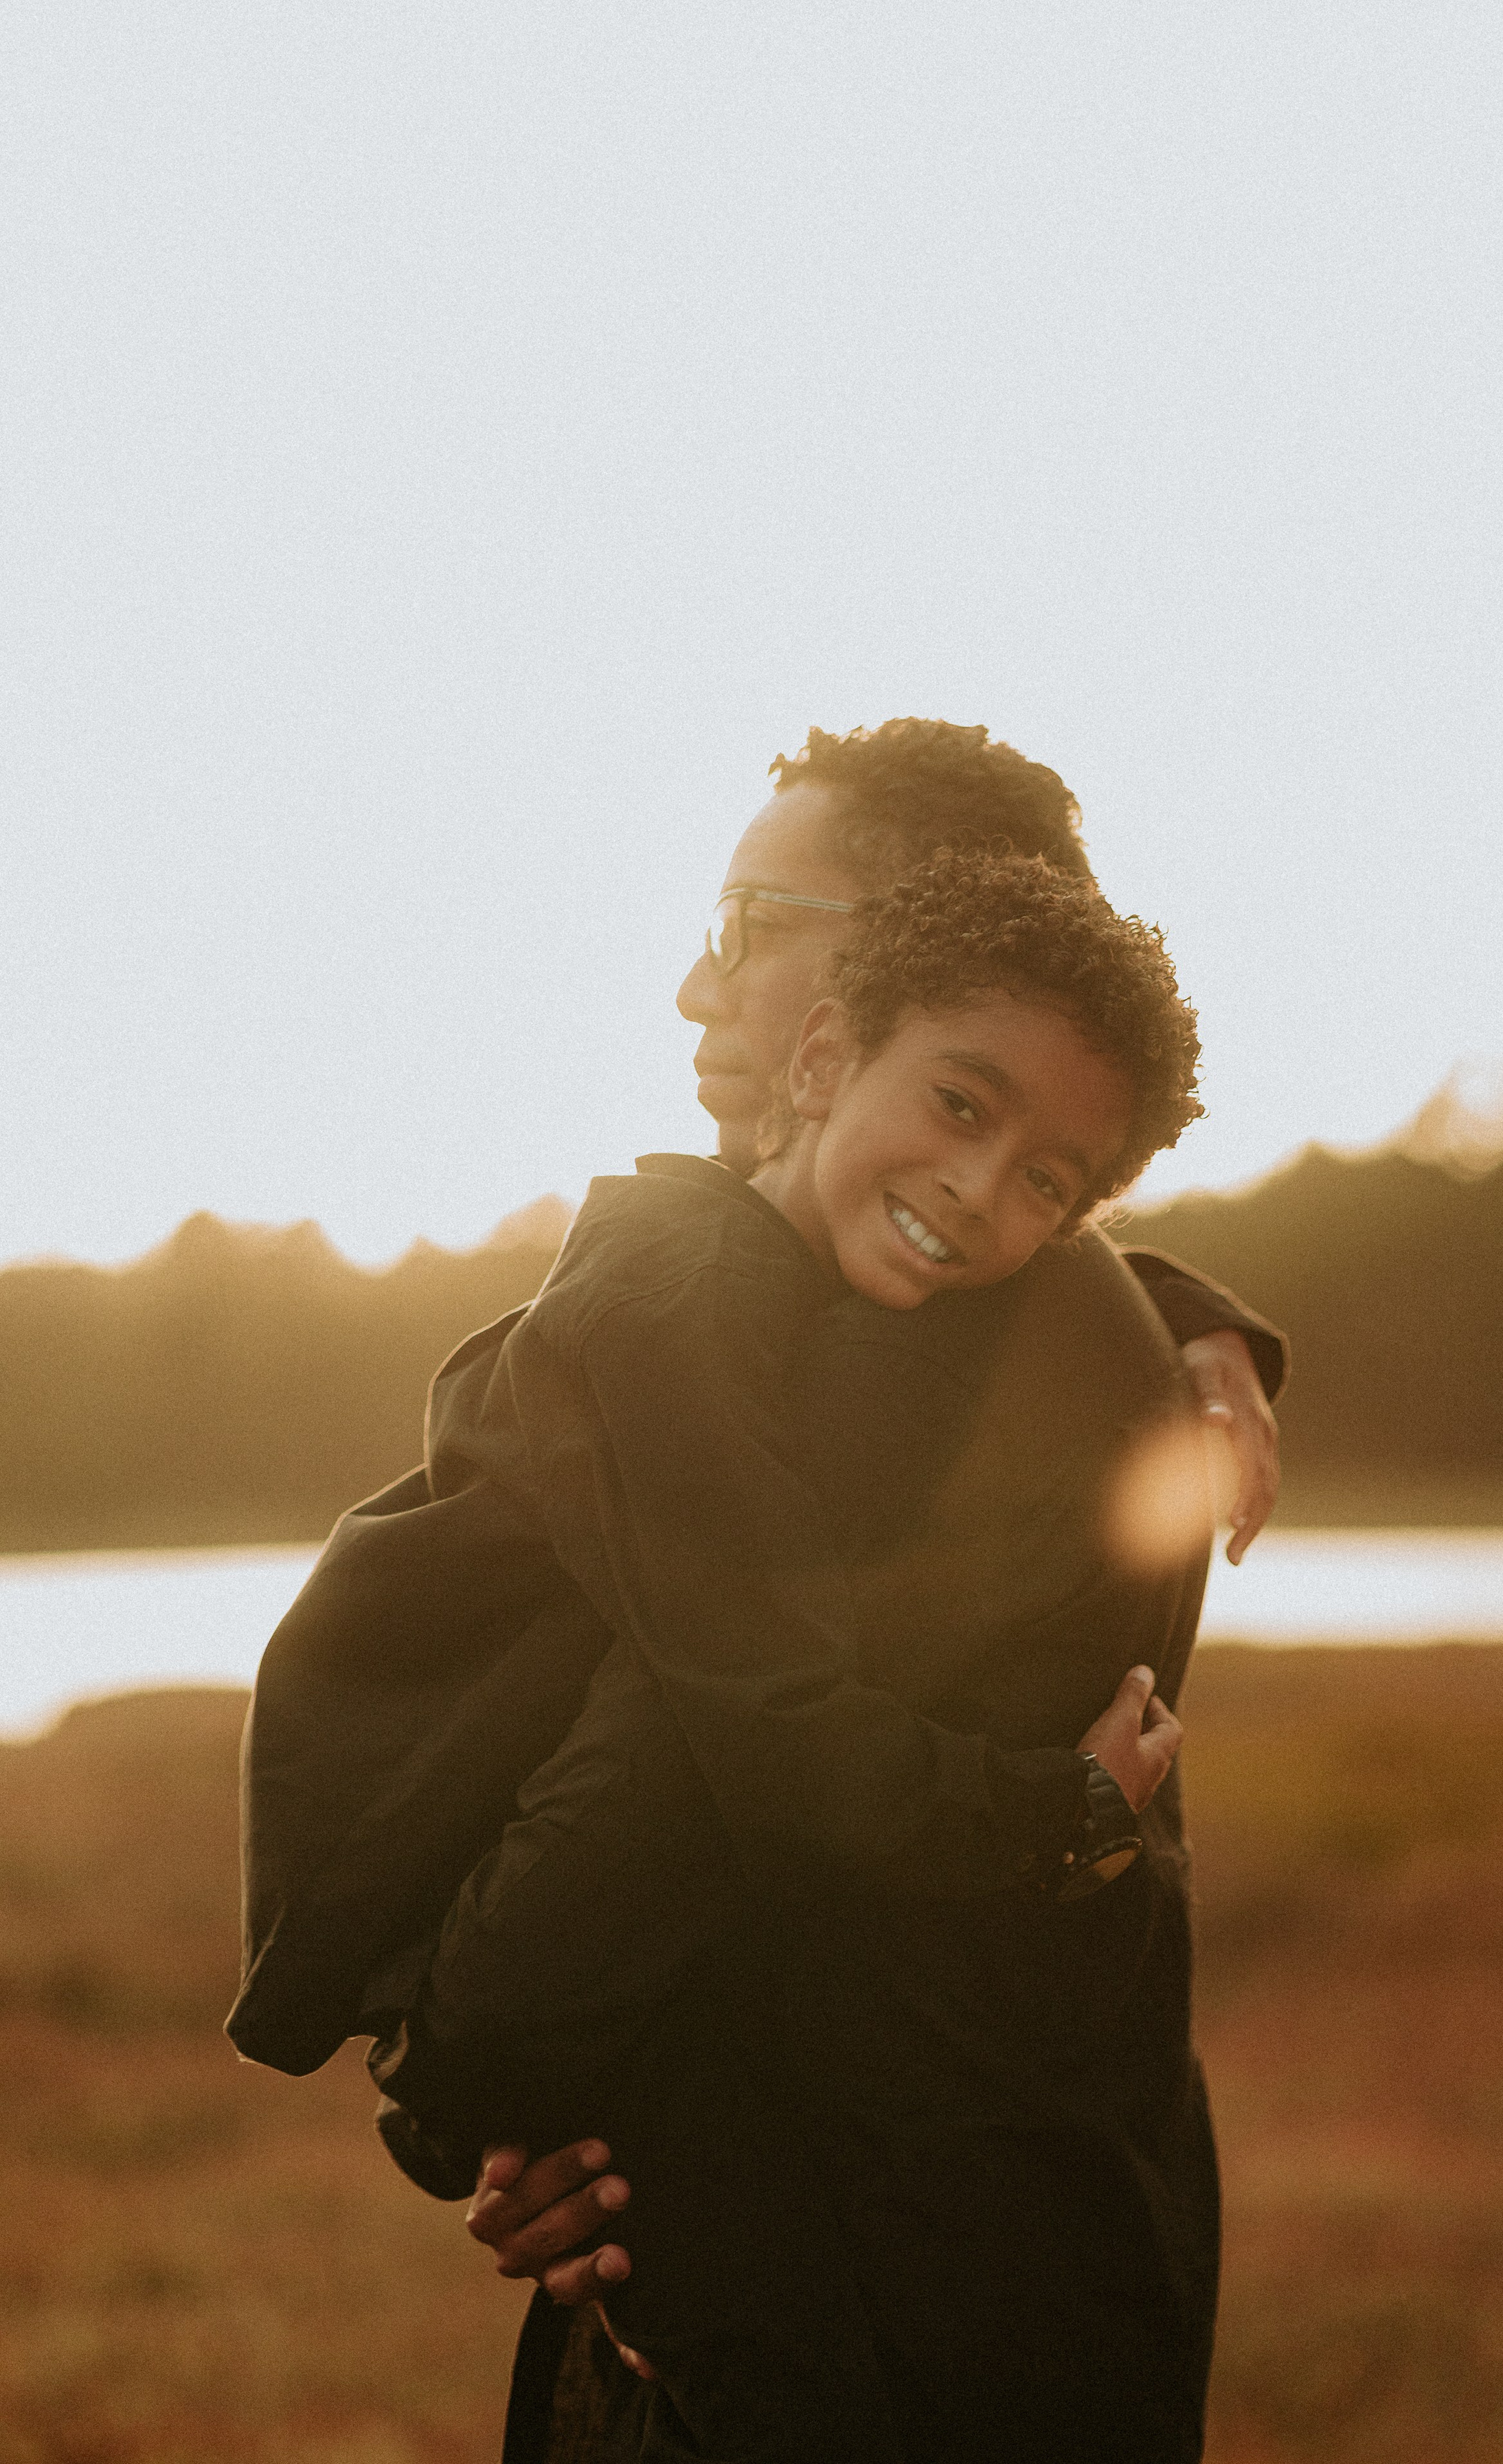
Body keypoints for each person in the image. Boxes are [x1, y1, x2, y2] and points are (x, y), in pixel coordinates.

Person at [339, 846, 1206, 2461]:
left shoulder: (899, 1354)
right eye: (961, 1110)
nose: (979, 1188)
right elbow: (744, 1729)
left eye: (1048, 1181)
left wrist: (479, 2059)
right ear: (837, 1056)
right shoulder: (695, 1312)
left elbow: (704, 1764)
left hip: (899, 2263)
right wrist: (469, 2076)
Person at [460, 721, 1285, 2336]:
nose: (699, 988)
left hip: (867, 2302)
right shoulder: (891, 1301)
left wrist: (477, 2083)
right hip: (968, 2253)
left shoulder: (909, 1356)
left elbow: (657, 1791)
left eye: (758, 925)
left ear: (934, 952)